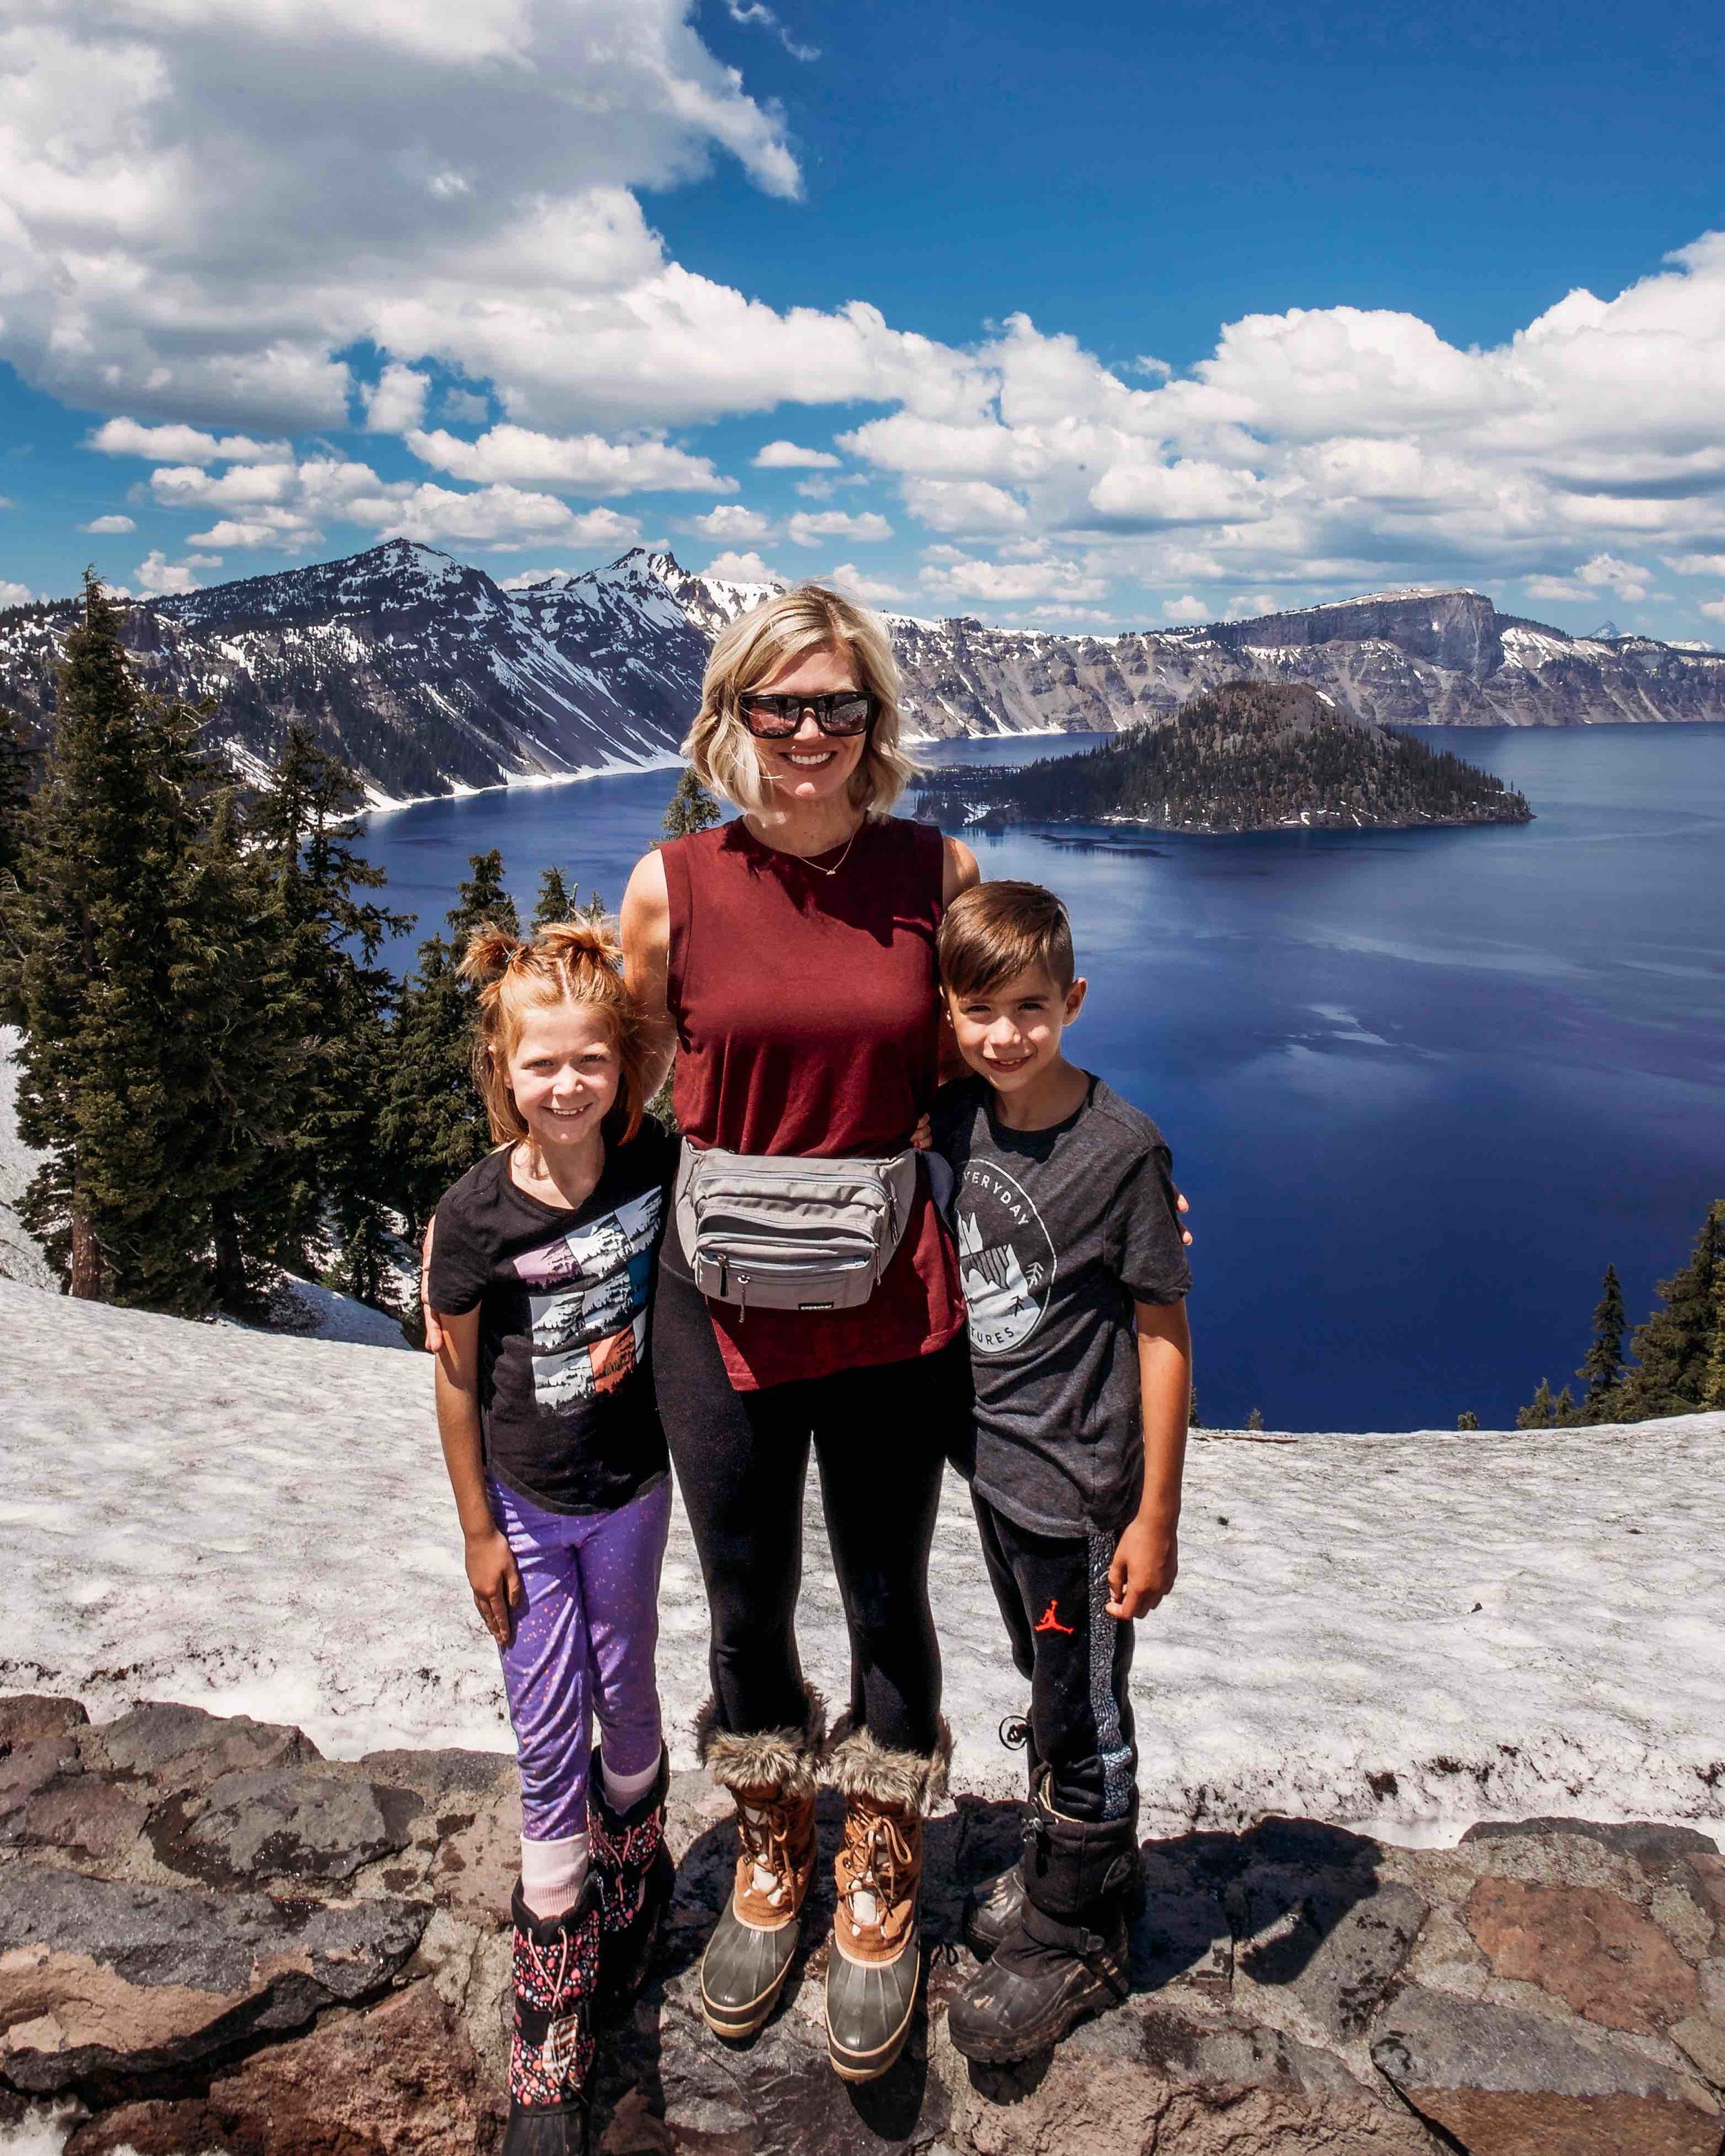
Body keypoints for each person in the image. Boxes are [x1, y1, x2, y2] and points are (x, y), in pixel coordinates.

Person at [620, 584, 977, 2083]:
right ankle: (774, 1845)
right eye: (780, 705)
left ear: (872, 719)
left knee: (888, 1593)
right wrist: (508, 1220)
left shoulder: (935, 871)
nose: (809, 733)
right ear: (734, 717)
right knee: (743, 1591)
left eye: (837, 705)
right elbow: (624, 1085)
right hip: (719, 1303)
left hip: (889, 1296)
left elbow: (977, 1083)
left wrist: (1095, 1203)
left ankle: (877, 1870)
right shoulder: (671, 884)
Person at [928, 880, 1192, 2064]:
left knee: (1085, 1705)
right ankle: (1070, 1860)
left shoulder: (1123, 1150)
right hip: (998, 1474)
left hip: (1084, 1496)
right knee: (1052, 1684)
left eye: (1030, 1007)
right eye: (979, 1008)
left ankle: (1081, 1925)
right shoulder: (954, 1120)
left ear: (1073, 1000)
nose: (1005, 1033)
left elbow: (1162, 1332)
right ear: (949, 1013)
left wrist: (1156, 1515)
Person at [426, 922, 678, 2153]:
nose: (567, 1084)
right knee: (544, 1734)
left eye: (591, 1060)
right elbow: (460, 1381)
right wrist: (478, 1528)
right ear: (502, 1070)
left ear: (623, 1065)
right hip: (528, 1507)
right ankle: (549, 2019)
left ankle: (638, 1867)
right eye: (542, 1065)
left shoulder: (654, 1164)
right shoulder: (474, 1217)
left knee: (628, 1694)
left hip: (633, 1490)